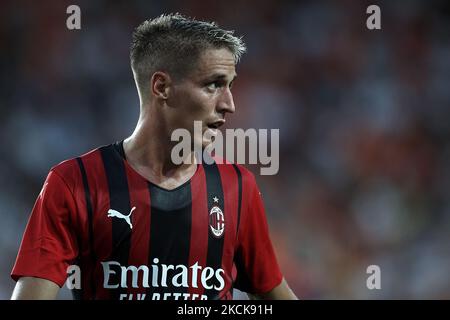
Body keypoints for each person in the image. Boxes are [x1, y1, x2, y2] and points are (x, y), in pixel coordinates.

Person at [11, 13, 297, 300]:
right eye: (213, 85)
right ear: (161, 87)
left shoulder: (237, 187)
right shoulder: (74, 183)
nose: (229, 104)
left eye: (230, 86)